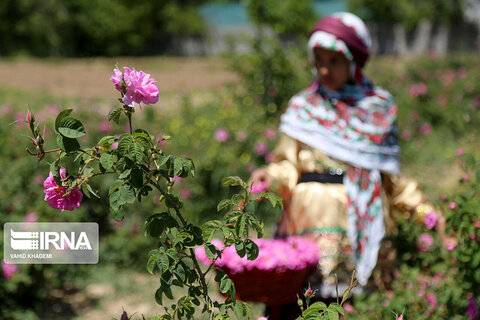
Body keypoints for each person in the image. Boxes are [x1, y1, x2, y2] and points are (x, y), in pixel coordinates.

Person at [249, 12, 456, 319]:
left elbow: (391, 183)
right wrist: (269, 177)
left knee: (351, 309)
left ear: (353, 62)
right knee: (299, 306)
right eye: (319, 59)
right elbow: (288, 167)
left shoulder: (377, 109)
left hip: (356, 236)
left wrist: (427, 214)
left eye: (334, 60)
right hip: (306, 233)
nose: (324, 68)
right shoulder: (303, 108)